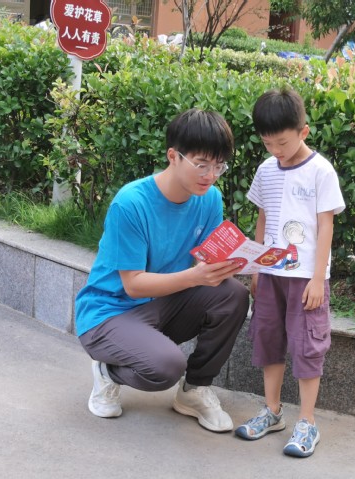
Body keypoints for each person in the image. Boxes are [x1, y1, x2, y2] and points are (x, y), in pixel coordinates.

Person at [75, 108, 250, 432]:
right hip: (108, 314)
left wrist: (235, 264)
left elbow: (207, 261)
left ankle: (194, 390)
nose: (210, 175)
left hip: (162, 306)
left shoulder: (210, 199)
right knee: (166, 367)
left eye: (218, 166)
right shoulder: (131, 203)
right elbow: (133, 285)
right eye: (201, 164)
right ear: (173, 156)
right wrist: (196, 276)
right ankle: (107, 372)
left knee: (233, 295)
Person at [234, 87, 345, 457]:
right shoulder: (266, 170)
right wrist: (255, 267)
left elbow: (326, 226)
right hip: (270, 274)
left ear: (303, 131)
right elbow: (262, 219)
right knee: (268, 338)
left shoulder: (320, 171)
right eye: (267, 143)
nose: (275, 150)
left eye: (282, 142)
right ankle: (273, 411)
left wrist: (318, 277)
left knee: (307, 346)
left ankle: (308, 422)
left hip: (306, 278)